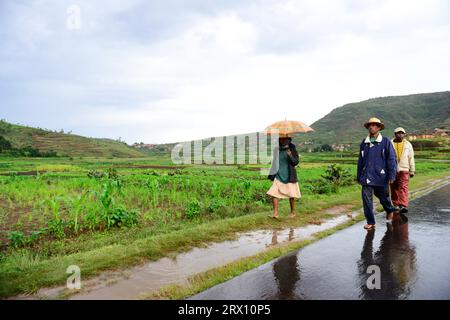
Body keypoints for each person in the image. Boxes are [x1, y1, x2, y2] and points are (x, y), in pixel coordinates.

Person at [357, 117, 398, 230]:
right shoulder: (364, 143)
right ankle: (370, 221)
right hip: (366, 177)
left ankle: (389, 209)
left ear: (379, 127)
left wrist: (392, 175)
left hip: (381, 176)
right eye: (370, 125)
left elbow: (391, 159)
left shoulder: (385, 142)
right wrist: (359, 176)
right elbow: (361, 160)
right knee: (366, 200)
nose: (371, 127)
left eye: (374, 125)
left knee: (384, 198)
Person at [267, 134, 301, 219]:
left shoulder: (292, 149)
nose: (282, 141)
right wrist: (272, 174)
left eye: (284, 139)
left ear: (288, 140)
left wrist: (290, 155)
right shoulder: (276, 149)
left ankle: (293, 212)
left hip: (289, 175)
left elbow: (295, 162)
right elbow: (274, 162)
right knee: (273, 192)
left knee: (291, 194)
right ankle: (275, 213)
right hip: (278, 174)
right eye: (281, 139)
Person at [390, 127, 415, 213]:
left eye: (402, 133)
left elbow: (411, 157)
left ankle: (403, 205)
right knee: (394, 188)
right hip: (392, 169)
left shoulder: (408, 144)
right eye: (398, 133)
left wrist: (412, 170)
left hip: (404, 169)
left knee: (403, 187)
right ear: (395, 134)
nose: (400, 134)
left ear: (404, 134)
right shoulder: (390, 143)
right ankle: (396, 205)